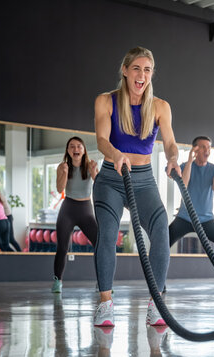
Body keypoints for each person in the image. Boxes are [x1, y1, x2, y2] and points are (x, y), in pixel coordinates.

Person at [93, 47, 180, 327]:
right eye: (136, 68)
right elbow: (101, 140)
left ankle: (156, 303)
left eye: (147, 69)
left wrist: (174, 158)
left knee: (160, 228)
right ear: (125, 71)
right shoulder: (106, 101)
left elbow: (169, 142)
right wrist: (115, 153)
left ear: (151, 74)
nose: (141, 75)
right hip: (110, 177)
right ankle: (106, 303)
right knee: (108, 233)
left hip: (143, 179)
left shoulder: (160, 107)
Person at [168, 135, 214, 295]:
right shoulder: (184, 166)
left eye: (208, 147)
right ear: (195, 150)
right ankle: (158, 284)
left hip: (206, 219)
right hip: (184, 218)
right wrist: (190, 161)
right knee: (162, 243)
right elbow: (183, 184)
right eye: (203, 147)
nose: (207, 150)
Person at [51, 136, 99, 293]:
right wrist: (64, 172)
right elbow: (60, 189)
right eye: (72, 146)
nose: (75, 149)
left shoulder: (90, 165)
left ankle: (103, 282)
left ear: (84, 150)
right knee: (62, 248)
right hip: (68, 209)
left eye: (79, 146)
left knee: (100, 245)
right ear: (68, 150)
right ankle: (57, 281)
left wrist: (94, 172)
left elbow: (98, 186)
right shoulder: (62, 166)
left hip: (85, 209)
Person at [0, 180, 19, 251]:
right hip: (6, 221)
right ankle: (15, 257)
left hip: (0, 222)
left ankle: (20, 254)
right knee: (5, 245)